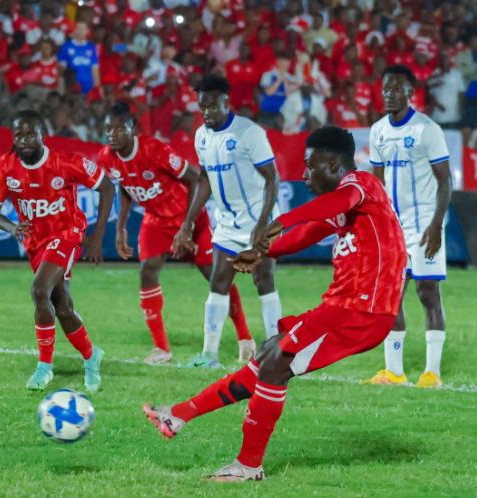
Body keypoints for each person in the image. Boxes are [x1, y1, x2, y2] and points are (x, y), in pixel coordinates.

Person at [144, 126, 406, 482]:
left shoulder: (362, 185)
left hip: (361, 311)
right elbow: (305, 236)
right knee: (268, 354)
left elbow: (335, 203)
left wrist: (282, 220)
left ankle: (248, 466)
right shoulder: (347, 206)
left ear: (333, 164)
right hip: (341, 308)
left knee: (274, 366)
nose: (304, 174)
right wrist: (261, 253)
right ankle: (178, 414)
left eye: (310, 165)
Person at [98, 102, 254, 365]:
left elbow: (196, 179)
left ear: (133, 129)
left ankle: (245, 339)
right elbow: (125, 186)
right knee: (147, 271)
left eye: (119, 128)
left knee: (216, 277)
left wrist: (187, 226)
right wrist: (120, 227)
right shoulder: (106, 157)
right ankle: (161, 348)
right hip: (155, 221)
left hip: (189, 217)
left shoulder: (154, 150)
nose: (112, 134)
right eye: (108, 129)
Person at [0, 110, 114, 392]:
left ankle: (44, 367)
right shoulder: (5, 166)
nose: (24, 140)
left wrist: (97, 235)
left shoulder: (65, 162)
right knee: (63, 308)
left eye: (30, 134)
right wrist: (12, 227)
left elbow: (107, 188)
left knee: (38, 290)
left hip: (67, 234)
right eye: (18, 135)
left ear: (43, 135)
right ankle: (91, 355)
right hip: (36, 244)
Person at [173, 75, 282, 368]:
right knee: (218, 281)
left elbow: (273, 179)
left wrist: (263, 224)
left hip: (259, 219)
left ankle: (275, 350)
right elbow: (204, 179)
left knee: (264, 280)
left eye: (212, 106)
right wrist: (187, 223)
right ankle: (209, 354)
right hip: (227, 224)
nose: (206, 113)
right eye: (202, 108)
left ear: (226, 102)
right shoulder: (202, 136)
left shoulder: (249, 133)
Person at [365, 65, 452, 389]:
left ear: (411, 93)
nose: (390, 94)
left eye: (397, 89)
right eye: (386, 88)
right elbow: (376, 183)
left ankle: (432, 373)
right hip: (393, 228)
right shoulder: (378, 131)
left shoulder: (427, 129)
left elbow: (445, 181)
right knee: (391, 296)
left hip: (424, 223)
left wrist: (436, 225)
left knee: (427, 292)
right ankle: (394, 372)